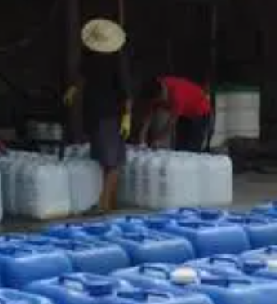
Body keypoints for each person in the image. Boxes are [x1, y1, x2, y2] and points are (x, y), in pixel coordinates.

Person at [65, 18, 132, 214]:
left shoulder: (110, 60)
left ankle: (106, 204)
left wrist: (127, 116)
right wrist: (74, 88)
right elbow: (82, 76)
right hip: (101, 115)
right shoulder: (96, 57)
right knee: (110, 162)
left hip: (104, 116)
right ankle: (106, 204)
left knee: (110, 162)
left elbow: (126, 92)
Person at [138, 76, 211, 152]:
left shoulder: (177, 95)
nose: (160, 102)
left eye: (159, 99)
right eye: (156, 101)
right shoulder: (154, 87)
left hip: (201, 112)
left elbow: (171, 122)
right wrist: (142, 138)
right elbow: (149, 116)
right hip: (185, 113)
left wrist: (158, 139)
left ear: (162, 92)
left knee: (192, 148)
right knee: (180, 146)